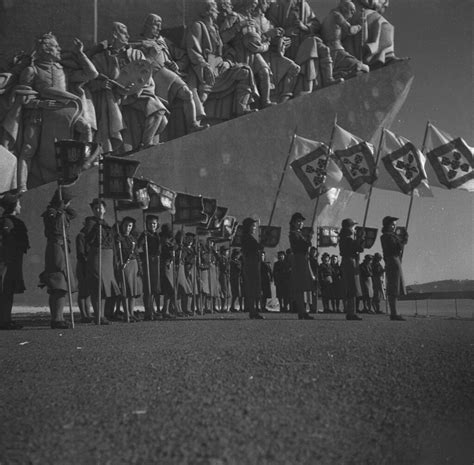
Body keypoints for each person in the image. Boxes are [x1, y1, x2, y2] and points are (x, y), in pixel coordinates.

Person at [5, 34, 98, 191]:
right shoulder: (31, 70)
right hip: (39, 115)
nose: (59, 49)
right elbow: (23, 97)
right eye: (55, 46)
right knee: (28, 150)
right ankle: (21, 187)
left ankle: (83, 164)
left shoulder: (64, 71)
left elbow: (92, 74)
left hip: (66, 115)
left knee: (86, 128)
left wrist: (80, 54)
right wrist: (40, 103)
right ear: (46, 50)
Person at [88, 22, 168, 153]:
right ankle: (146, 144)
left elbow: (146, 78)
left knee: (161, 118)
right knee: (158, 110)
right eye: (124, 33)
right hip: (113, 99)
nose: (128, 36)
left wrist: (134, 90)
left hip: (136, 95)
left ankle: (145, 144)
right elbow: (90, 82)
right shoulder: (100, 58)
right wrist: (102, 85)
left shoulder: (137, 54)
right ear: (115, 34)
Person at [138, 13, 208, 137]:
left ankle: (192, 124)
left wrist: (177, 65)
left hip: (167, 73)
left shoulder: (163, 42)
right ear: (147, 26)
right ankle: (192, 125)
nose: (159, 28)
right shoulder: (139, 44)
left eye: (160, 25)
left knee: (188, 93)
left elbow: (183, 56)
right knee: (184, 95)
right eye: (156, 25)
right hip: (154, 76)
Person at [186, 0, 257, 121]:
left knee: (245, 71)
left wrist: (228, 62)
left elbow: (224, 49)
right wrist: (204, 65)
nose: (217, 12)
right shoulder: (197, 26)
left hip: (218, 64)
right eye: (214, 10)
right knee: (204, 93)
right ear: (207, 11)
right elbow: (193, 50)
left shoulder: (215, 28)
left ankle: (242, 108)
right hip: (204, 66)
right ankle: (196, 120)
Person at [266, 0, 342, 93]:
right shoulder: (276, 6)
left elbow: (315, 24)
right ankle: (306, 88)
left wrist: (305, 27)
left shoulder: (303, 4)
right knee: (311, 47)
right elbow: (269, 30)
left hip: (304, 40)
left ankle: (328, 79)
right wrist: (285, 33)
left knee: (322, 48)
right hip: (288, 47)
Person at [39, 188, 77, 329]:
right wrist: (58, 210)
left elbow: (73, 214)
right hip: (56, 248)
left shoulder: (61, 212)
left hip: (62, 247)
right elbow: (54, 229)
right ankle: (56, 319)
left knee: (62, 286)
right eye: (68, 200)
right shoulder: (52, 213)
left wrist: (62, 207)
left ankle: (59, 318)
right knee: (58, 283)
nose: (70, 203)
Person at [84, 198, 121, 325]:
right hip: (97, 254)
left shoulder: (108, 222)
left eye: (101, 208)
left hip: (108, 256)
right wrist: (96, 228)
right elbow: (88, 239)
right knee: (97, 285)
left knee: (105, 287)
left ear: (105, 209)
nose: (98, 210)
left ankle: (102, 315)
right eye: (96, 208)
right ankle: (97, 316)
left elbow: (112, 243)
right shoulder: (90, 222)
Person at [320, 0, 370, 81]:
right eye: (352, 11)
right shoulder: (337, 16)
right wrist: (360, 25)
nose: (351, 15)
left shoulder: (328, 17)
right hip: (337, 51)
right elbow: (350, 30)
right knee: (363, 67)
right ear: (344, 8)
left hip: (329, 51)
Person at [0, 192, 29, 330]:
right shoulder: (7, 221)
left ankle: (6, 319)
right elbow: (8, 241)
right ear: (12, 206)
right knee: (5, 291)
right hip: (7, 261)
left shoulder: (10, 221)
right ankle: (4, 320)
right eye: (18, 203)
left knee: (8, 291)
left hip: (12, 261)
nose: (20, 206)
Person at [115, 216, 143, 322]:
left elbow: (136, 253)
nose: (127, 227)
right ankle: (126, 313)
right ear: (122, 226)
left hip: (133, 264)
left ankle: (131, 313)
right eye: (126, 225)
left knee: (132, 291)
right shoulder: (118, 238)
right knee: (125, 291)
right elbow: (116, 253)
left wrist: (140, 268)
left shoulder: (132, 239)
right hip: (124, 266)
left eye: (130, 225)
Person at [380, 216, 407, 321]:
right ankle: (394, 313)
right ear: (387, 225)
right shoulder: (387, 236)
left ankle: (394, 312)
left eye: (395, 224)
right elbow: (396, 248)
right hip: (392, 260)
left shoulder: (391, 236)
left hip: (394, 260)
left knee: (395, 286)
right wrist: (402, 240)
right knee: (393, 286)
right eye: (392, 224)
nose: (394, 226)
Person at [289, 212, 314, 320]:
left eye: (301, 221)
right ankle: (301, 311)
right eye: (298, 221)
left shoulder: (299, 233)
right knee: (300, 286)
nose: (300, 223)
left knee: (302, 286)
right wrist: (308, 239)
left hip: (303, 259)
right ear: (293, 223)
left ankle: (303, 311)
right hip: (299, 259)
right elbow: (301, 246)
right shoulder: (294, 233)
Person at [338, 217, 364, 320]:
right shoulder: (348, 239)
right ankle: (351, 312)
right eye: (353, 227)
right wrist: (360, 238)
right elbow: (359, 248)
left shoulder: (344, 238)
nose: (354, 229)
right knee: (352, 287)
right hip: (350, 262)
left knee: (351, 287)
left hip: (348, 261)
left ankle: (351, 311)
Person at [138, 214, 161, 320]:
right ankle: (148, 311)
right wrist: (144, 241)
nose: (152, 225)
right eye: (150, 223)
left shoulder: (157, 235)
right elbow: (138, 247)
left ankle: (153, 310)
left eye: (154, 223)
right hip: (147, 261)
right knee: (148, 288)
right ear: (146, 224)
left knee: (155, 287)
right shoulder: (144, 235)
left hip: (156, 262)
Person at [241, 217, 264, 319]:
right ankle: (252, 310)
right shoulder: (247, 237)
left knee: (254, 288)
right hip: (251, 264)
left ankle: (253, 310)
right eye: (253, 226)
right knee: (252, 288)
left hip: (253, 264)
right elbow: (256, 247)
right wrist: (261, 243)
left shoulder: (248, 237)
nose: (254, 228)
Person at [76, 217, 94, 323]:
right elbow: (80, 253)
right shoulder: (81, 236)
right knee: (83, 290)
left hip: (90, 265)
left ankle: (88, 313)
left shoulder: (91, 236)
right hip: (83, 265)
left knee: (88, 291)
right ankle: (83, 314)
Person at [159, 223, 177, 319]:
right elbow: (165, 253)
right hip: (165, 265)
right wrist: (172, 249)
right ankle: (164, 309)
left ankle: (166, 309)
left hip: (169, 265)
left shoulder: (171, 241)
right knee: (168, 288)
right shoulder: (163, 240)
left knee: (169, 289)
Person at [218, 245, 231, 312]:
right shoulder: (222, 258)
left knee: (226, 291)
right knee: (224, 291)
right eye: (226, 251)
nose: (227, 252)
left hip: (227, 275)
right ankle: (223, 307)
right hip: (223, 275)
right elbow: (224, 267)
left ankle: (224, 307)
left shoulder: (226, 258)